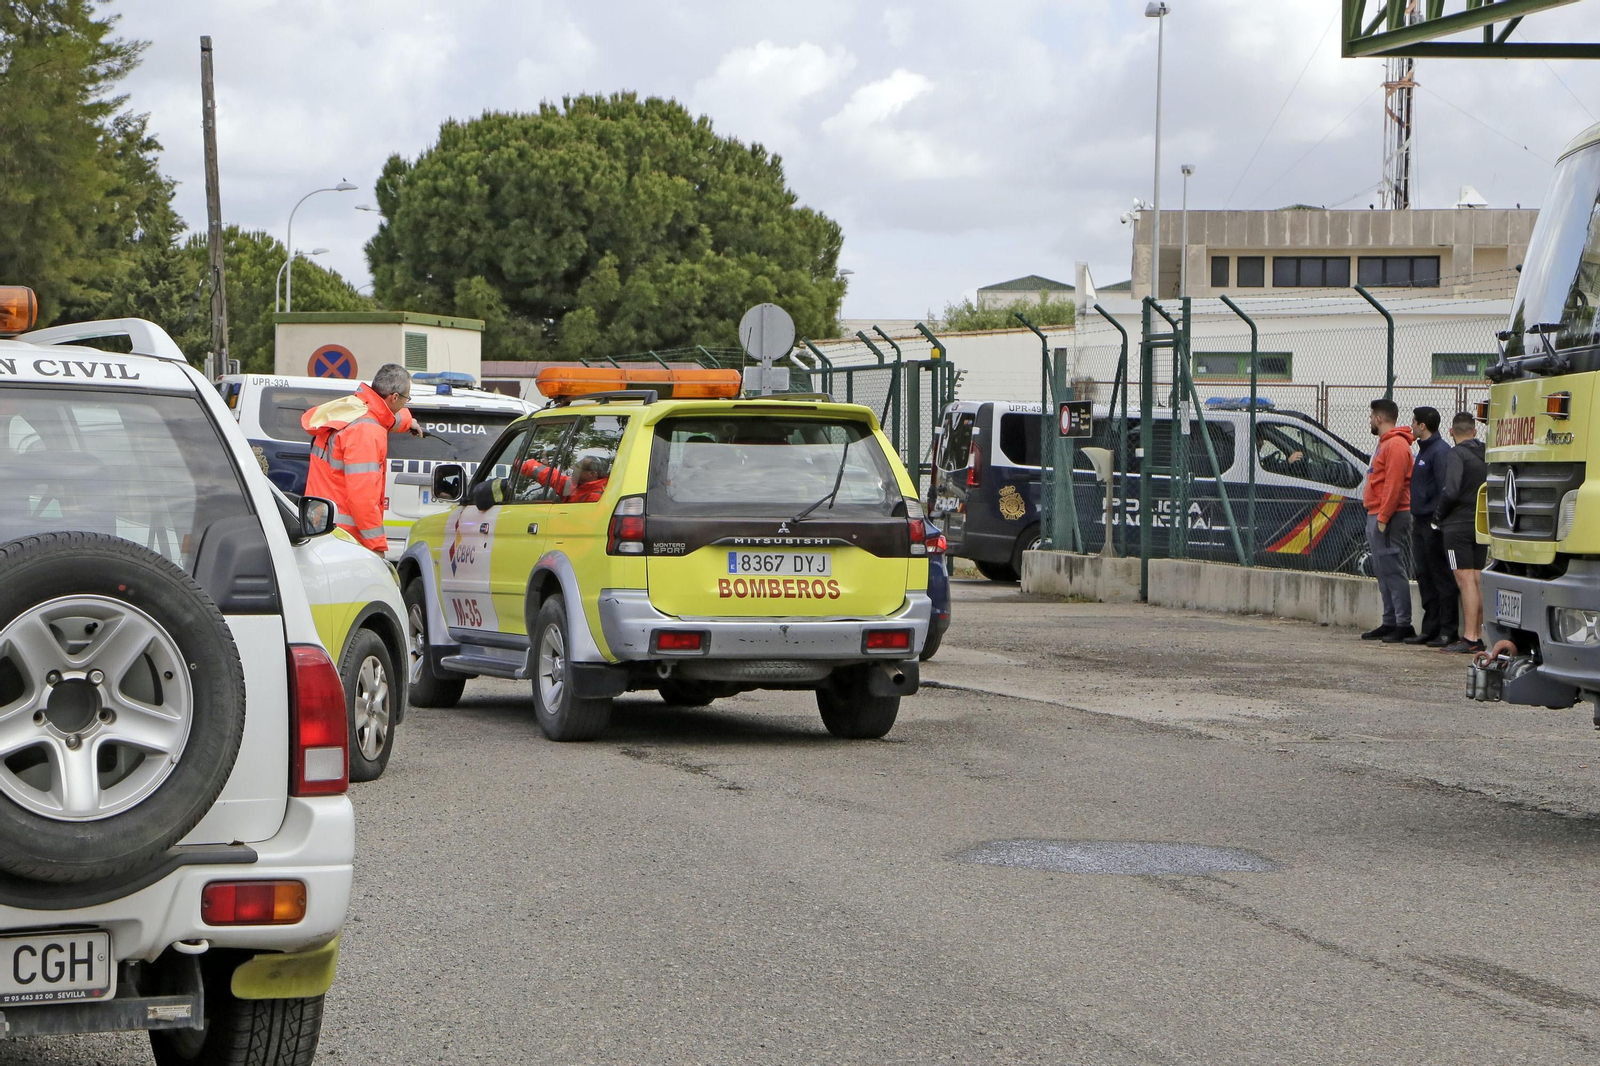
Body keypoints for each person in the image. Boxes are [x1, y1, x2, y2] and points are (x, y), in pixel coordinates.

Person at [302, 364, 420, 554]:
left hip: (321, 525)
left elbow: (385, 416)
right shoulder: (367, 432)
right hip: (344, 539)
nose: (405, 404)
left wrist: (408, 422)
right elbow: (362, 498)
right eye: (406, 398)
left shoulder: (354, 406)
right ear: (395, 397)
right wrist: (377, 546)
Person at [1361, 397, 1416, 643]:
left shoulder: (1395, 445)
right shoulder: (1385, 444)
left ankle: (1403, 623)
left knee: (1392, 568)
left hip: (1389, 515)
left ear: (1380, 418)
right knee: (1383, 570)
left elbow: (1393, 484)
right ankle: (1390, 621)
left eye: (1372, 416)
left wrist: (1383, 516)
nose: (1370, 420)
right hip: (1378, 512)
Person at [1434, 411, 1489, 654]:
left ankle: (1469, 636)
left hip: (1456, 526)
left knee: (1464, 580)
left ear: (1451, 432)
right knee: (1477, 580)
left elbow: (1451, 490)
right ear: (1475, 432)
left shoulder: (1456, 453)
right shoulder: (1486, 453)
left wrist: (1438, 517)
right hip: (1479, 524)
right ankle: (1478, 634)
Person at [1404, 406, 1459, 647]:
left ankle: (1448, 630)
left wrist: (1437, 520)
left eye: (1414, 422)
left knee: (1441, 576)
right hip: (1420, 522)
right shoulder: (1425, 451)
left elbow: (1444, 489)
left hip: (1434, 524)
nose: (1411, 426)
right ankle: (1431, 628)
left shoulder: (1439, 452)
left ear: (1422, 425)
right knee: (1424, 575)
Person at [519, 453, 609, 503]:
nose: (573, 468)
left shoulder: (596, 497)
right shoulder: (577, 485)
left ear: (592, 474)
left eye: (578, 466)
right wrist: (525, 466)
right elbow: (552, 476)